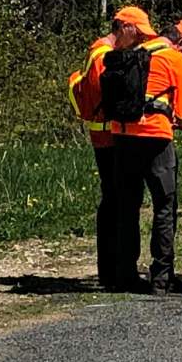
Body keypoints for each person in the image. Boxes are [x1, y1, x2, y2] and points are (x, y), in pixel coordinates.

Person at [110, 10, 182, 295]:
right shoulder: (173, 60)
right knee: (164, 207)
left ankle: (124, 274)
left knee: (127, 207)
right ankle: (161, 277)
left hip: (122, 137)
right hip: (157, 138)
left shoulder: (131, 54)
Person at [68, 23, 118, 290]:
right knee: (113, 201)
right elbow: (107, 94)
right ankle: (110, 272)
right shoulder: (102, 56)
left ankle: (110, 270)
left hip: (102, 134)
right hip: (108, 136)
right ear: (122, 29)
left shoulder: (96, 53)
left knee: (111, 199)